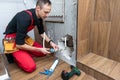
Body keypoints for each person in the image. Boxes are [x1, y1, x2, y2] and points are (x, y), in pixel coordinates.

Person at [3, 0, 58, 73]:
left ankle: (24, 52)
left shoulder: (39, 17)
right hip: (12, 38)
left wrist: (51, 43)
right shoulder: (24, 18)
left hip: (22, 37)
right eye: (46, 12)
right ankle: (11, 52)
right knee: (30, 67)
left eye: (49, 12)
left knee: (42, 53)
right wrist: (38, 49)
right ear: (38, 8)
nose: (47, 15)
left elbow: (42, 33)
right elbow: (19, 44)